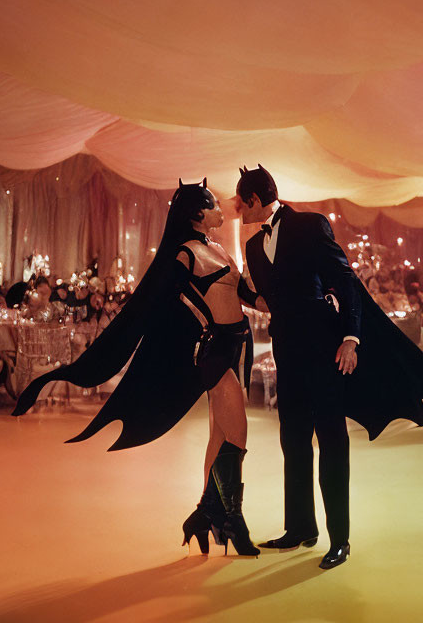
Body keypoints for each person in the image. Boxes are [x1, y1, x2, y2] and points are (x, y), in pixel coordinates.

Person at [14, 180, 261, 556]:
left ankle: (203, 515)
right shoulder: (184, 255)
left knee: (220, 436)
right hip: (213, 351)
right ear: (197, 213)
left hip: (237, 346)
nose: (219, 210)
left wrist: (285, 298)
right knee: (238, 436)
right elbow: (154, 303)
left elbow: (243, 293)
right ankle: (233, 520)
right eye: (212, 206)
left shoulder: (218, 248)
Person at [234, 164, 423, 570]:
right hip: (287, 356)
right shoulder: (253, 248)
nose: (236, 208)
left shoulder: (310, 225)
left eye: (240, 200)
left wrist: (351, 338)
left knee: (332, 444)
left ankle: (340, 540)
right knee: (294, 442)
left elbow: (347, 282)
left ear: (254, 199)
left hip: (326, 352)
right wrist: (237, 289)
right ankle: (301, 527)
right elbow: (269, 298)